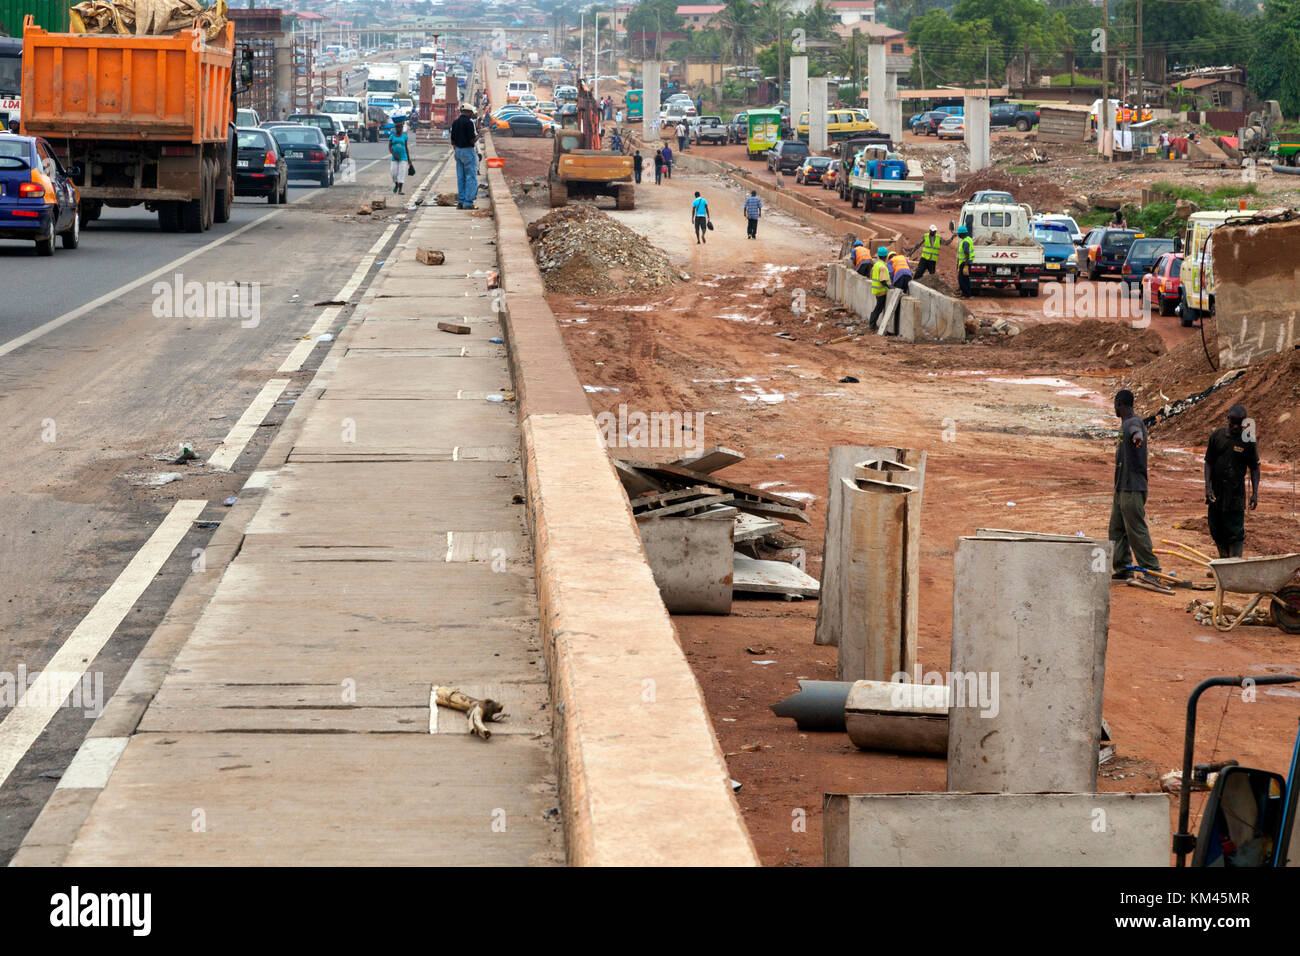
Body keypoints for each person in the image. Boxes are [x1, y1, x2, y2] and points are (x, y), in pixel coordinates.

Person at [1109, 389, 1162, 579]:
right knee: (1116, 529)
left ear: (1119, 404)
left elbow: (1136, 432)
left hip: (1132, 488)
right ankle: (1123, 568)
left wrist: (1138, 438)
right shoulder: (1126, 423)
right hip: (1122, 487)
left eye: (1115, 405)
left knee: (1135, 531)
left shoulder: (1133, 423)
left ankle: (1152, 570)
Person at [1204, 405, 1260, 558]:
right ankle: (1224, 561)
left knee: (1235, 531)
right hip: (1216, 493)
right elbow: (1208, 462)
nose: (1235, 427)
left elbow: (1254, 468)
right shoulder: (1217, 436)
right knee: (1216, 528)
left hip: (1235, 494)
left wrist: (1255, 493)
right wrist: (1207, 488)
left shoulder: (1247, 441)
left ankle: (1235, 563)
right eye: (1232, 423)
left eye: (1239, 424)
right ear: (1227, 419)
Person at [449, 105, 478, 210]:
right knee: (471, 177)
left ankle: (460, 202)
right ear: (469, 112)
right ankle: (468, 202)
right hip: (468, 151)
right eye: (471, 113)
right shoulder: (469, 123)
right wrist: (479, 135)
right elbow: (472, 140)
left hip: (458, 151)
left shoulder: (455, 122)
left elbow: (452, 141)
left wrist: (456, 150)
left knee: (461, 177)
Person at [868, 247, 891, 332]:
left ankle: (872, 323)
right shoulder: (882, 267)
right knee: (878, 308)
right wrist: (889, 287)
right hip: (881, 291)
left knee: (878, 307)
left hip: (876, 290)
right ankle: (872, 324)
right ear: (886, 256)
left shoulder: (876, 264)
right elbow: (883, 280)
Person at [388, 119, 409, 195]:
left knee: (401, 173)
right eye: (397, 127)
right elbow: (390, 147)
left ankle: (400, 190)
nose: (398, 129)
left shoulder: (404, 136)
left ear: (402, 128)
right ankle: (396, 185)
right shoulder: (392, 136)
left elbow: (406, 148)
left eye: (400, 127)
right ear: (395, 128)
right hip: (394, 158)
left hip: (403, 158)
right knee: (393, 173)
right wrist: (394, 154)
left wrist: (409, 160)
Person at [956, 225, 973, 298]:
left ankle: (965, 294)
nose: (958, 235)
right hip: (967, 262)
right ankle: (967, 294)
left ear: (962, 233)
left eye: (959, 233)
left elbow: (966, 253)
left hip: (964, 263)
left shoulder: (965, 242)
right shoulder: (969, 239)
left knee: (962, 279)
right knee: (966, 279)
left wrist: (966, 265)